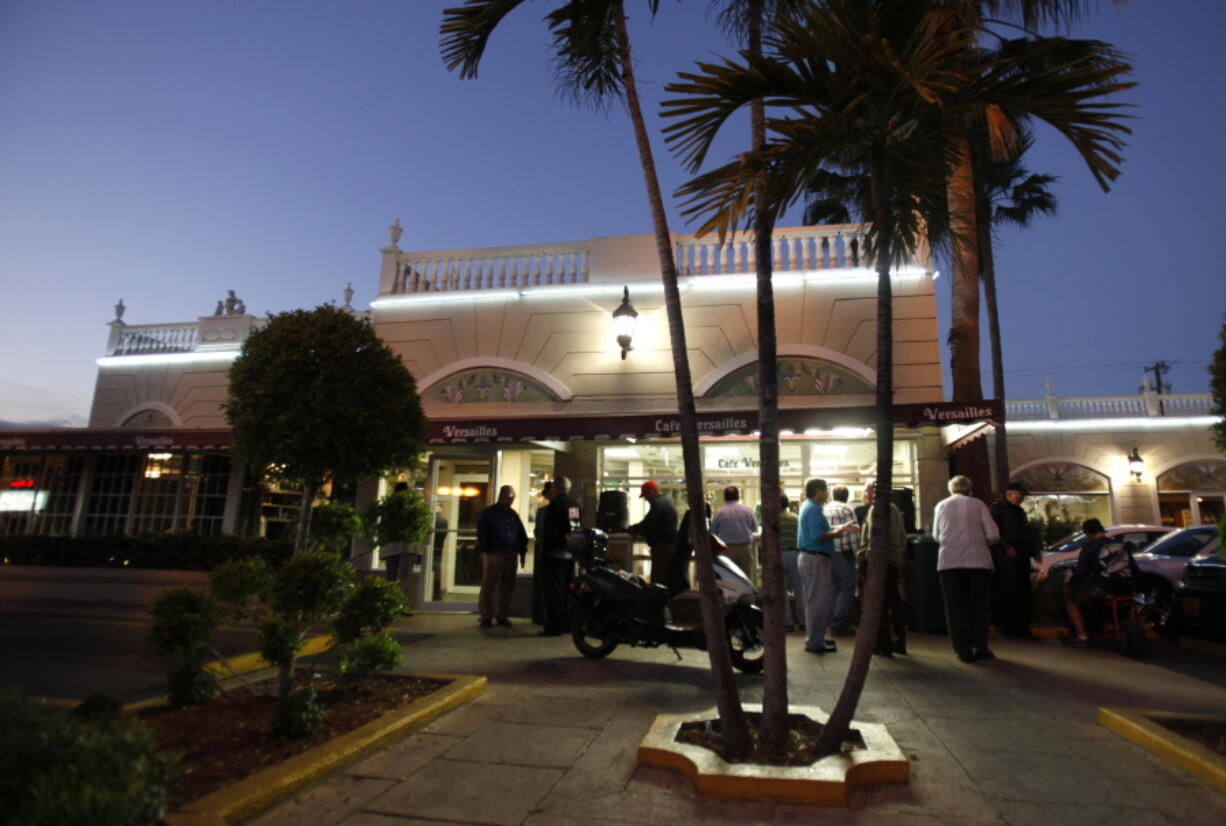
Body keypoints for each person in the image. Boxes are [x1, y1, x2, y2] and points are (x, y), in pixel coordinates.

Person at [932, 475, 1000, 663]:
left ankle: (963, 648)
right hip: (978, 561)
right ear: (970, 489)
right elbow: (993, 534)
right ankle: (981, 645)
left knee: (955, 607)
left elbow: (937, 535)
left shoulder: (941, 506)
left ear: (950, 489)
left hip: (949, 562)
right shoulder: (978, 505)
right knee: (979, 606)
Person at [797, 478, 859, 654]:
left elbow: (820, 529)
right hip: (816, 558)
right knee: (818, 602)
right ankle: (815, 642)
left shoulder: (808, 506)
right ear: (817, 491)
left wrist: (841, 527)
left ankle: (816, 638)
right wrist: (839, 533)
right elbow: (819, 535)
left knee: (815, 601)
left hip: (812, 557)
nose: (827, 493)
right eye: (825, 490)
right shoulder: (814, 509)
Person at [1064, 517, 1142, 648]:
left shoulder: (1089, 547)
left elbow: (1081, 573)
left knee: (1071, 599)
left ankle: (1082, 637)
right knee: (1131, 604)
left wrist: (1071, 583)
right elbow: (1134, 568)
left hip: (1103, 588)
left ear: (1087, 533)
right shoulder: (1121, 545)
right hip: (1126, 587)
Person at [857, 480, 908, 656]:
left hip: (878, 562)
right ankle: (898, 642)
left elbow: (873, 538)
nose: (864, 494)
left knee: (877, 605)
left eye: (867, 490)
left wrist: (867, 560)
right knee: (893, 602)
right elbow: (902, 538)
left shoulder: (876, 510)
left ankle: (883, 645)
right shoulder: (894, 509)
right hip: (892, 561)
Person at [990, 482, 1040, 639]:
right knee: (1009, 593)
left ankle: (1023, 628)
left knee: (1023, 593)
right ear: (1009, 494)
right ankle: (1009, 627)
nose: (1021, 498)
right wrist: (1006, 547)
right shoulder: (997, 510)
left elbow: (1026, 533)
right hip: (1006, 559)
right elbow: (994, 532)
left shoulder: (1020, 512)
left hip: (1021, 557)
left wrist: (1034, 551)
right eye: (1019, 495)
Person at [475, 485, 528, 628]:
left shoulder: (513, 515)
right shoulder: (489, 513)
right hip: (495, 553)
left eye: (513, 498)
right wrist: (487, 550)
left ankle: (502, 614)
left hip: (511, 554)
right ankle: (486, 615)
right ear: (502, 496)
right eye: (510, 497)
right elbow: (482, 533)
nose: (512, 500)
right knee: (489, 585)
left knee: (507, 586)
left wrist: (522, 552)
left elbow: (520, 534)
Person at [538, 475, 580, 636]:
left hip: (554, 555)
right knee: (567, 591)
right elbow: (575, 528)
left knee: (553, 592)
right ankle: (567, 624)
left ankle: (554, 626)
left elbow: (550, 532)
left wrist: (546, 549)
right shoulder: (574, 504)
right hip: (570, 554)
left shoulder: (555, 505)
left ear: (556, 488)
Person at [824, 485, 859, 636]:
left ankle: (833, 618)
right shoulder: (847, 509)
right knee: (848, 586)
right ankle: (839, 622)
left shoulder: (824, 509)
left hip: (827, 553)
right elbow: (853, 534)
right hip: (843, 553)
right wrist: (858, 553)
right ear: (847, 496)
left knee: (834, 587)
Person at [628, 481, 678, 583]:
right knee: (665, 575)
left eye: (646, 495)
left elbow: (648, 522)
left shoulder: (657, 503)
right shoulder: (666, 501)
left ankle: (658, 597)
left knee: (658, 576)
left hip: (662, 546)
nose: (646, 499)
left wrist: (634, 529)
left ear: (651, 492)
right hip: (669, 544)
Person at [711, 486, 758, 583]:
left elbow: (713, 532)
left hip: (726, 550)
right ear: (738, 496)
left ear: (725, 497)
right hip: (745, 549)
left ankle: (730, 598)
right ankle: (746, 598)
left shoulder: (719, 512)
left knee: (728, 578)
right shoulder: (748, 510)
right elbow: (755, 528)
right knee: (746, 577)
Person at [778, 494, 805, 631]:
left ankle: (787, 623)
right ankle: (803, 622)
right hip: (796, 553)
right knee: (799, 588)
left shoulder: (772, 520)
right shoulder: (796, 518)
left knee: (781, 590)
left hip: (779, 555)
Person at [531, 481, 553, 626]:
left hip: (544, 552)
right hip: (551, 552)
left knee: (543, 586)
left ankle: (541, 615)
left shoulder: (543, 511)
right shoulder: (545, 511)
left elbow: (538, 531)